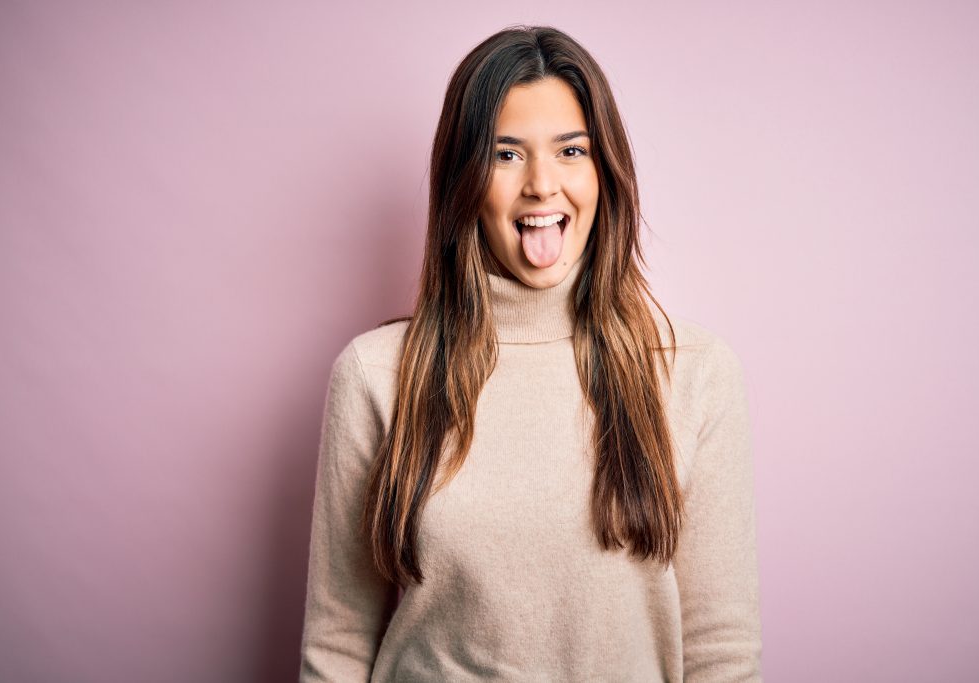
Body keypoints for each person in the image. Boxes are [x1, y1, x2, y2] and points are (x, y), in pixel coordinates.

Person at [300, 25, 762, 682]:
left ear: (606, 173)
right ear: (464, 179)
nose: (542, 184)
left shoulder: (695, 372)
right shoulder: (377, 376)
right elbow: (337, 643)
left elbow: (723, 652)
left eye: (571, 150)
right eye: (506, 154)